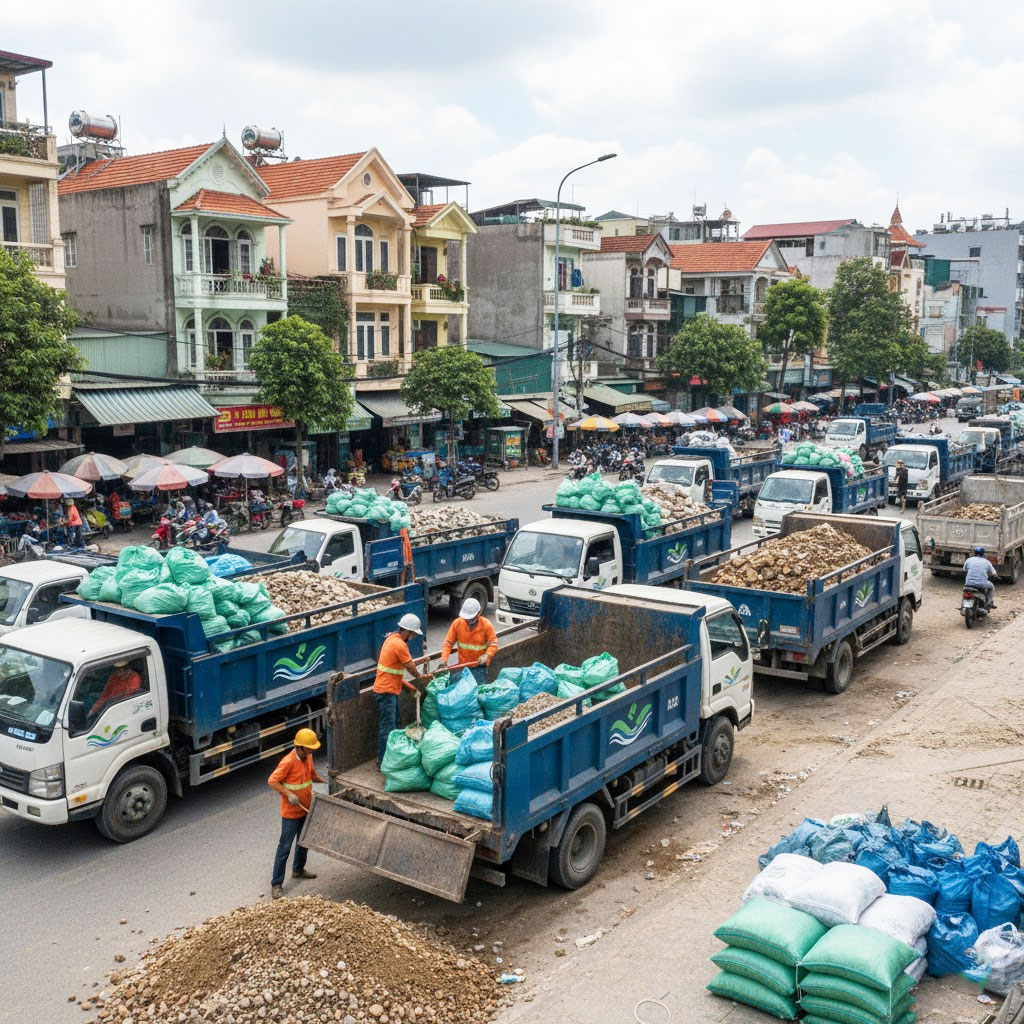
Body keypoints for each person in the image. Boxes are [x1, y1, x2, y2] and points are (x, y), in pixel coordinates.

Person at [267, 727, 324, 900]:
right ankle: (276, 884)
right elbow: (272, 781)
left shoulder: (308, 757)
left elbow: (311, 775)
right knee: (284, 847)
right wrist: (288, 794)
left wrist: (327, 781)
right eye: (309, 748)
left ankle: (298, 870)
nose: (311, 751)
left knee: (303, 842)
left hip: (306, 807)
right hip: (291, 812)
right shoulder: (288, 762)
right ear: (299, 747)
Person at [373, 613, 431, 769]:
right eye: (412, 634)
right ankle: (382, 762)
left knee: (395, 725)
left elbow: (394, 673)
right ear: (407, 631)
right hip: (386, 693)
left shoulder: (391, 640)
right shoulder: (400, 645)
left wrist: (411, 687)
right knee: (387, 729)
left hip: (388, 690)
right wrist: (421, 678)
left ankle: (391, 757)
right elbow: (410, 666)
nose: (412, 637)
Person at [440, 597, 499, 685]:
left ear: (478, 614)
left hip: (479, 666)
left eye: (471, 619)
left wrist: (486, 655)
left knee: (478, 690)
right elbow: (448, 643)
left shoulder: (486, 625)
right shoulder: (457, 624)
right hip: (463, 666)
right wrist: (444, 660)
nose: (468, 622)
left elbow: (493, 644)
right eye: (466, 619)